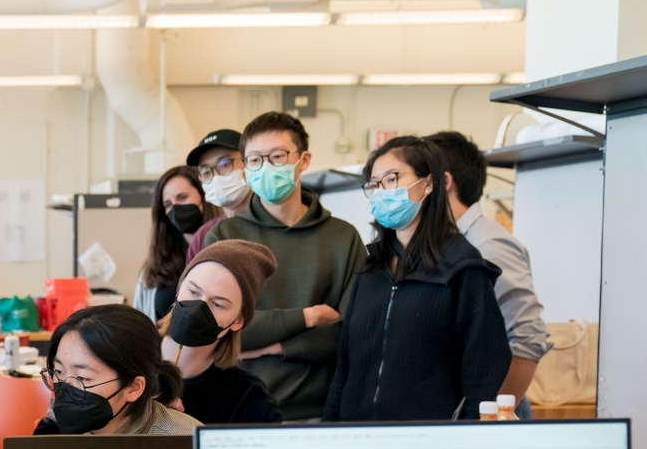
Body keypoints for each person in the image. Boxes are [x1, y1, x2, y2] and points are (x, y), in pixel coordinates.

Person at [324, 137, 510, 422]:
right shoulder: (370, 270)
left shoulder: (463, 269)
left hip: (426, 443)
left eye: (392, 178)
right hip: (357, 438)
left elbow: (483, 369)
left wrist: (471, 440)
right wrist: (330, 429)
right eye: (374, 185)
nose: (381, 191)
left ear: (429, 183)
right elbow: (345, 368)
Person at [201, 112, 365, 421]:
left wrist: (271, 347)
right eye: (254, 160)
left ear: (303, 160)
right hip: (238, 410)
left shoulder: (343, 238)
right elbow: (215, 328)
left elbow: (350, 334)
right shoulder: (224, 236)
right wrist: (310, 317)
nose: (265, 168)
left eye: (277, 156)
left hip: (321, 411)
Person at [426, 130, 552, 418]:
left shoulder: (487, 244)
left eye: (420, 178)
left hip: (490, 412)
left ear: (443, 182)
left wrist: (492, 417)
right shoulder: (450, 242)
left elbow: (527, 338)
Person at [158, 240, 284, 425]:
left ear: (238, 321)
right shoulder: (125, 356)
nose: (198, 308)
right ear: (179, 288)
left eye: (218, 304)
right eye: (193, 291)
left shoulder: (249, 400)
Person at [35, 304, 200, 436]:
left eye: (83, 378)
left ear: (133, 387)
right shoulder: (56, 427)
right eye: (58, 372)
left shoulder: (186, 443)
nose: (65, 388)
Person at [132, 166, 220, 321]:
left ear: (203, 197)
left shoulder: (224, 249)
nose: (175, 208)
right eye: (168, 204)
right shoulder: (155, 267)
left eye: (182, 197)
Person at [185, 128, 254, 259]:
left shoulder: (273, 223)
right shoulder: (204, 236)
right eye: (206, 172)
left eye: (224, 164)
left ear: (249, 161)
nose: (216, 176)